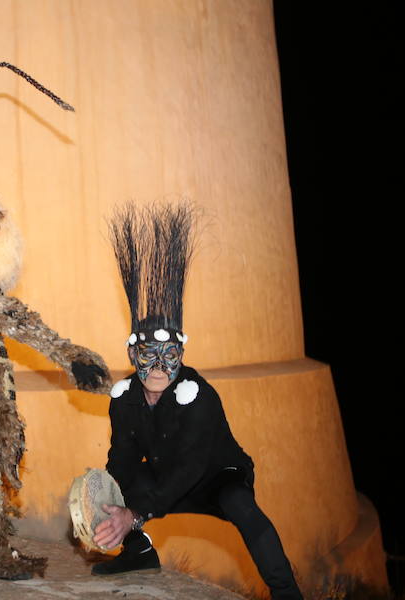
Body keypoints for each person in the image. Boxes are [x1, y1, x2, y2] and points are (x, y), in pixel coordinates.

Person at [92, 203, 303, 600]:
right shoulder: (124, 398)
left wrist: (136, 513)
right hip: (166, 480)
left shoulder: (198, 396)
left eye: (168, 355)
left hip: (215, 476)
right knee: (123, 476)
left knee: (241, 505)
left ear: (181, 355)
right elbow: (121, 456)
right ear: (132, 356)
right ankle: (138, 553)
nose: (158, 366)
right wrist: (110, 506)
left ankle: (287, 591)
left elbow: (191, 466)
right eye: (147, 356)